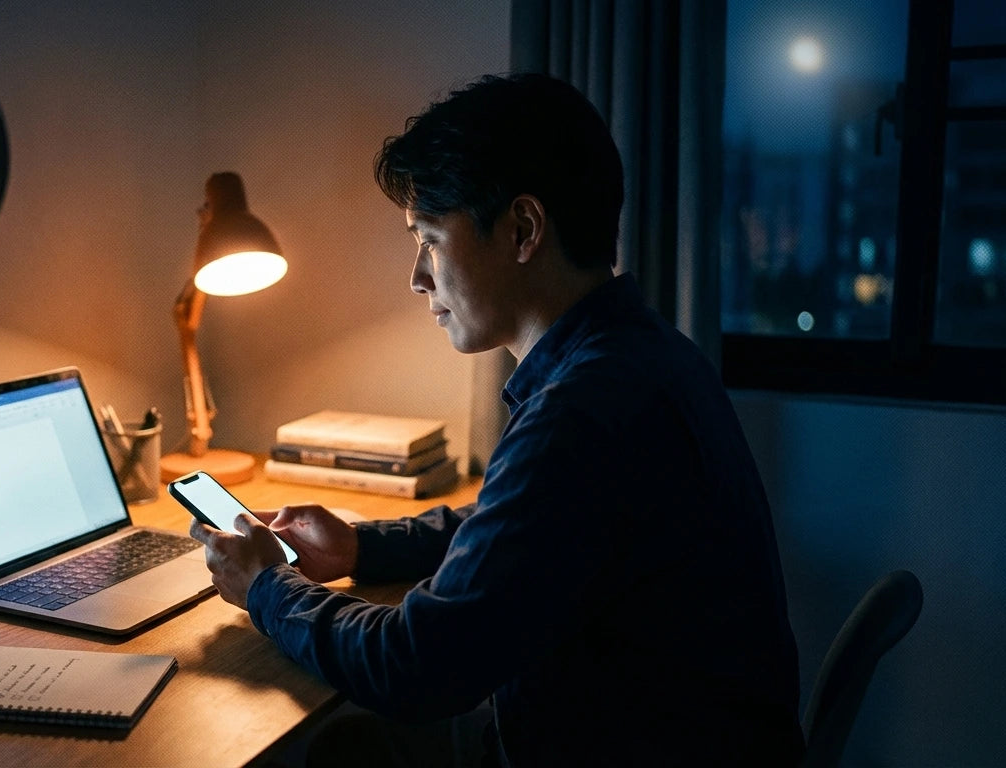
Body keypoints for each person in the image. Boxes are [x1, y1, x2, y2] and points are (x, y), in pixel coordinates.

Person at [188, 73, 803, 767]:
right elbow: (514, 527)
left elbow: (417, 667)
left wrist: (269, 588)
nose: (418, 278)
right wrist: (362, 549)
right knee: (345, 745)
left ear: (522, 230)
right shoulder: (643, 355)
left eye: (430, 240)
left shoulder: (583, 413)